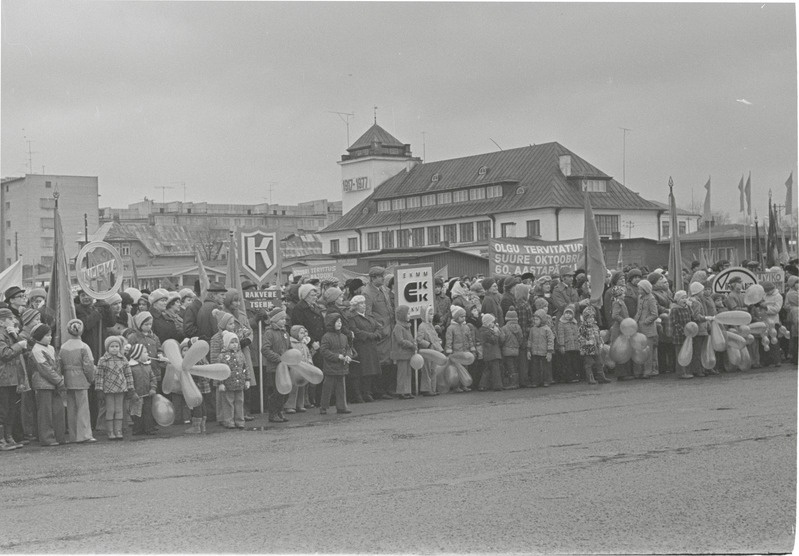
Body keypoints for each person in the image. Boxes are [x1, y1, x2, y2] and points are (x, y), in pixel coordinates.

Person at [59, 319, 97, 443]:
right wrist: (91, 379)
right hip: (81, 378)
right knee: (83, 408)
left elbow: (59, 364)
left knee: (71, 408)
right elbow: (89, 366)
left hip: (68, 379)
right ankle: (84, 434)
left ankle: (73, 435)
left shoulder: (63, 347)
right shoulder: (84, 347)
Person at [29, 324, 66, 446]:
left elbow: (57, 365)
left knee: (57, 411)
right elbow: (45, 369)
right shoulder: (36, 349)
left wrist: (59, 379)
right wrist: (59, 381)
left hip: (54, 384)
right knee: (45, 413)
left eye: (50, 335)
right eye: (47, 335)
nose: (50, 337)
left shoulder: (50, 348)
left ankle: (59, 436)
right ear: (39, 336)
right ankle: (47, 438)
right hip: (43, 385)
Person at [363, 267, 395, 400]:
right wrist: (379, 327)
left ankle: (386, 388)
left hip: (390, 330)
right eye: (380, 276)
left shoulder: (384, 290)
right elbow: (368, 314)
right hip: (381, 333)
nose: (383, 278)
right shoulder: (367, 293)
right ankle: (379, 390)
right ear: (373, 278)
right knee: (381, 361)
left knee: (388, 361)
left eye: (383, 276)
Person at [95, 336, 134, 441]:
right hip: (108, 388)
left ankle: (118, 430)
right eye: (112, 346)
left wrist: (130, 387)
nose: (114, 348)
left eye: (117, 346)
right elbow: (99, 375)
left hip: (121, 388)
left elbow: (128, 374)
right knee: (110, 409)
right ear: (107, 347)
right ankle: (110, 431)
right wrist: (99, 389)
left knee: (119, 409)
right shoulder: (103, 360)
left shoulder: (123, 359)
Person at [346, 295, 382, 403]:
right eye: (361, 303)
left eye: (364, 303)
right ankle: (358, 394)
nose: (364, 305)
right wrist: (371, 335)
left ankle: (367, 392)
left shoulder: (369, 316)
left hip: (371, 347)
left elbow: (378, 327)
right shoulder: (352, 317)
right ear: (355, 306)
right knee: (360, 371)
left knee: (370, 371)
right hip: (360, 347)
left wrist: (376, 334)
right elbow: (355, 331)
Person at [261, 307, 291, 423]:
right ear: (274, 320)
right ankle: (273, 414)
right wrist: (278, 358)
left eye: (285, 318)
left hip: (285, 367)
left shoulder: (285, 333)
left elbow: (288, 348)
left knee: (285, 392)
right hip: (274, 368)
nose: (284, 321)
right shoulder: (269, 333)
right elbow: (265, 349)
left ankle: (280, 411)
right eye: (282, 319)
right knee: (276, 392)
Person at [319, 314, 353, 414]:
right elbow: (324, 351)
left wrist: (348, 356)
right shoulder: (326, 336)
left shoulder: (343, 336)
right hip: (330, 366)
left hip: (342, 366)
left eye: (340, 322)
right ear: (331, 323)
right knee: (327, 388)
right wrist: (337, 356)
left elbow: (347, 348)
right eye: (337, 321)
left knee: (341, 388)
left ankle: (342, 406)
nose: (339, 324)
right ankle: (323, 406)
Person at [217, 331, 249, 429]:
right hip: (228, 384)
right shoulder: (222, 356)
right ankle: (229, 420)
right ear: (227, 343)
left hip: (240, 383)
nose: (234, 344)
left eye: (236, 342)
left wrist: (247, 379)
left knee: (239, 402)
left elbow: (245, 367)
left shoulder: (241, 355)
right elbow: (219, 371)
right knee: (228, 403)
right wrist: (220, 383)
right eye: (232, 342)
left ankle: (240, 420)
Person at [444, 306, 475, 394]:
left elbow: (470, 338)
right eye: (461, 316)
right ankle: (456, 386)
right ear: (456, 317)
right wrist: (449, 350)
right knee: (457, 369)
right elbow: (449, 340)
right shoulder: (451, 328)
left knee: (465, 369)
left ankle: (464, 385)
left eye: (464, 316)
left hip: (465, 352)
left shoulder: (466, 327)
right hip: (456, 352)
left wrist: (471, 347)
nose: (463, 318)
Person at [284, 326, 314, 413]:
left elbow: (308, 355)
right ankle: (289, 405)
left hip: (303, 369)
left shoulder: (303, 344)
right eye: (301, 333)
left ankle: (300, 404)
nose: (303, 335)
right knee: (294, 388)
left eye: (304, 333)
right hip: (295, 369)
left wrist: (309, 363)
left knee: (302, 387)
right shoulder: (291, 343)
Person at [578, 306, 610, 384]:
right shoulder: (582, 327)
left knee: (599, 362)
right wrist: (586, 342)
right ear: (585, 318)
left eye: (592, 317)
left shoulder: (595, 327)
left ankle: (601, 377)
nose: (591, 319)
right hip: (587, 349)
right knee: (589, 363)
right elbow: (580, 338)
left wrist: (601, 343)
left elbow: (599, 336)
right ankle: (590, 378)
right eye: (589, 317)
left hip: (596, 347)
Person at [415, 305, 442, 397]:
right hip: (427, 351)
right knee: (426, 370)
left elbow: (434, 336)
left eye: (432, 314)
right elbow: (419, 339)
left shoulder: (431, 325)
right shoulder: (422, 326)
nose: (432, 316)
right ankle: (426, 389)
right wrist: (428, 344)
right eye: (430, 314)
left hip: (434, 351)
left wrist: (438, 342)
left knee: (433, 369)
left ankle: (433, 388)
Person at [634, 279, 659, 378]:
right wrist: (634, 321)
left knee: (648, 351)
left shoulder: (651, 298)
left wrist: (645, 321)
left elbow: (654, 314)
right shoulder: (640, 297)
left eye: (640, 288)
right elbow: (638, 311)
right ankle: (640, 371)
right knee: (640, 350)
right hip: (639, 327)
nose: (638, 290)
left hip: (648, 329)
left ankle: (648, 371)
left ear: (645, 289)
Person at [391, 305, 416, 400]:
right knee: (402, 373)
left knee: (408, 373)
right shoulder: (398, 327)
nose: (409, 315)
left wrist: (413, 343)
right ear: (402, 315)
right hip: (401, 353)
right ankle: (401, 391)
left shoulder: (406, 326)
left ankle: (407, 391)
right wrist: (411, 344)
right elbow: (400, 340)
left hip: (407, 353)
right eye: (408, 314)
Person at [670, 291, 695, 379]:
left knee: (687, 353)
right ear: (677, 300)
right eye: (682, 298)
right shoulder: (675, 309)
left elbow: (692, 317)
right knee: (680, 353)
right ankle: (681, 372)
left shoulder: (687, 308)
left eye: (685, 297)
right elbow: (674, 323)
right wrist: (683, 331)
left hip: (688, 335)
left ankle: (688, 371)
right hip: (679, 335)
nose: (684, 300)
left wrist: (690, 307)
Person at [527, 309, 554, 387]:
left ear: (542, 320)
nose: (535, 321)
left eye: (537, 319)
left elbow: (550, 341)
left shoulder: (547, 329)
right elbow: (530, 340)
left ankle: (546, 380)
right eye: (534, 319)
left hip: (544, 352)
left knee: (546, 368)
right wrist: (528, 350)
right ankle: (535, 381)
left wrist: (549, 352)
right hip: (534, 352)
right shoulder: (532, 329)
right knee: (535, 368)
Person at [477, 313, 503, 392]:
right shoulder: (486, 332)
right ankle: (497, 385)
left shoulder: (483, 331)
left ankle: (483, 385)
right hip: (492, 353)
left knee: (487, 370)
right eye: (492, 322)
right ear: (487, 323)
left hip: (489, 353)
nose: (493, 324)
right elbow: (494, 340)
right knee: (495, 370)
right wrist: (496, 333)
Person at [499, 307, 523, 389]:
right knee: (515, 366)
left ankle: (512, 383)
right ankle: (516, 382)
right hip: (516, 350)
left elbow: (502, 339)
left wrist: (502, 346)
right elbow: (521, 338)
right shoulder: (518, 327)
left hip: (507, 350)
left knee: (510, 367)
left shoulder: (504, 328)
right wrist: (518, 345)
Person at [556, 305, 581, 383]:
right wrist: (562, 345)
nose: (568, 315)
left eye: (570, 313)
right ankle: (569, 377)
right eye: (566, 313)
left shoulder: (574, 322)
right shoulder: (561, 323)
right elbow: (560, 335)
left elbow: (578, 333)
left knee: (575, 361)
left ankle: (576, 375)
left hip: (575, 346)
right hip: (567, 346)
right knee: (568, 362)